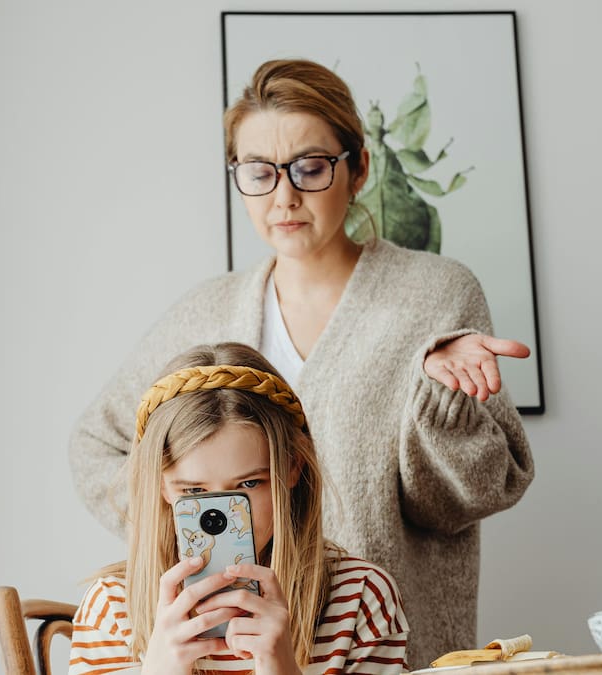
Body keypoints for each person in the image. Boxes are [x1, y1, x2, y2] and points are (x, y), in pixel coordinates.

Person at [69, 58, 534, 666]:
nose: (284, 196)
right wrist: (198, 516)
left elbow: (458, 501)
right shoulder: (201, 313)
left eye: (311, 168)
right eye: (259, 172)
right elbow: (96, 446)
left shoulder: (435, 296)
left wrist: (443, 403)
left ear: (359, 168)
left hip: (365, 643)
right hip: (214, 650)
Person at [69, 343, 408, 675]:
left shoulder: (360, 598)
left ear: (293, 468)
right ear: (161, 487)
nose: (221, 516)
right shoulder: (112, 610)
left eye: (249, 484)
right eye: (194, 491)